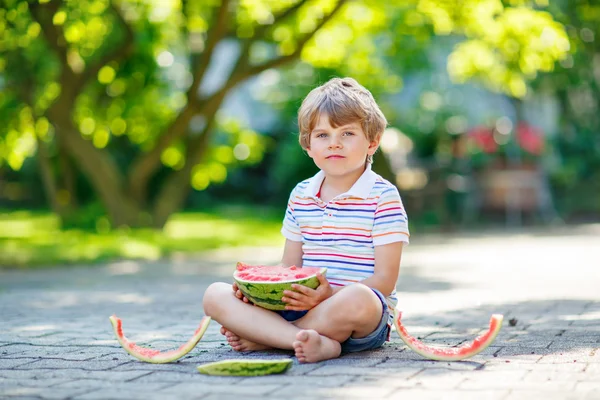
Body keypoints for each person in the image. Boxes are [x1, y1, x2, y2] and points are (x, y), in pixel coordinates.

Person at [202, 77, 409, 363]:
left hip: (356, 317)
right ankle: (309, 342)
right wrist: (256, 293)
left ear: (372, 142)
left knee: (361, 298)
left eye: (347, 134)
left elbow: (384, 281)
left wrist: (327, 294)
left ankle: (266, 338)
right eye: (322, 135)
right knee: (215, 295)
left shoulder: (382, 196)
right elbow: (290, 268)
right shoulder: (301, 195)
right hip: (300, 310)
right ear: (308, 146)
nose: (334, 143)